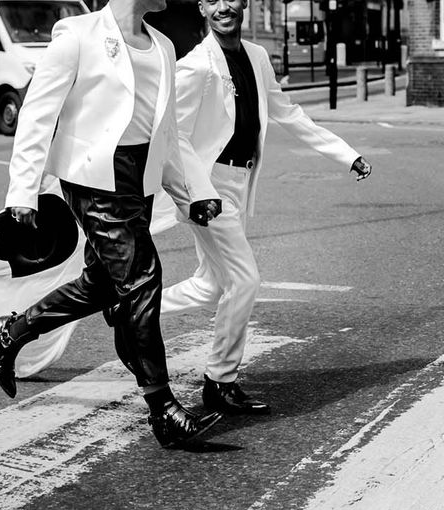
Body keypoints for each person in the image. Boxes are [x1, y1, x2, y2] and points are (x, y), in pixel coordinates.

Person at [0, 0, 225, 448]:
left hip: (139, 175)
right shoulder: (76, 34)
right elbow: (38, 113)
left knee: (102, 282)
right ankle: (163, 409)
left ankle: (11, 330)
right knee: (141, 277)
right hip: (93, 176)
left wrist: (193, 192)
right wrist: (22, 190)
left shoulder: (164, 46)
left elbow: (167, 132)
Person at [157, 0, 372, 414]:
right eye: (214, 0)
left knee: (210, 284)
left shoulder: (256, 57)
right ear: (202, 8)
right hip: (209, 187)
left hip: (238, 181)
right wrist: (197, 193)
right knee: (244, 279)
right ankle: (219, 381)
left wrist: (347, 154)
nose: (224, 7)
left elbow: (288, 114)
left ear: (245, 4)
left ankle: (130, 309)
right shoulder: (196, 65)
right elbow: (174, 136)